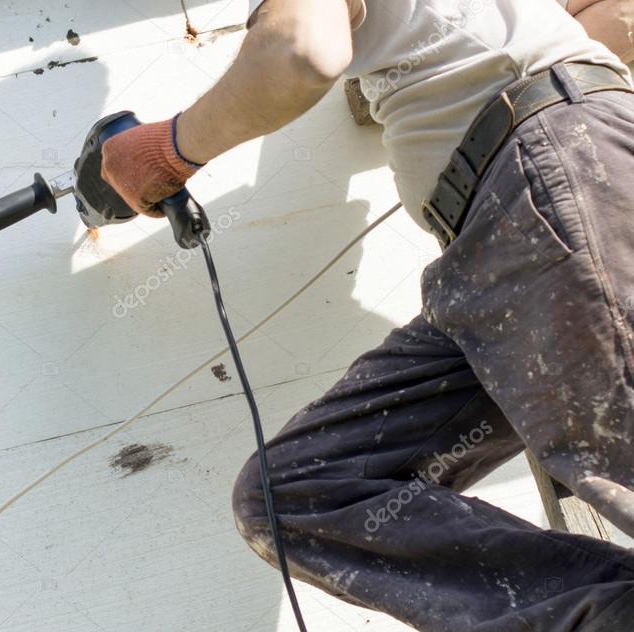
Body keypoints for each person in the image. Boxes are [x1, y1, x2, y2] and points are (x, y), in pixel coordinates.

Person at [100, 0, 634, 630]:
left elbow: (299, 52)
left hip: (546, 178)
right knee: (296, 492)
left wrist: (168, 148)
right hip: (502, 229)